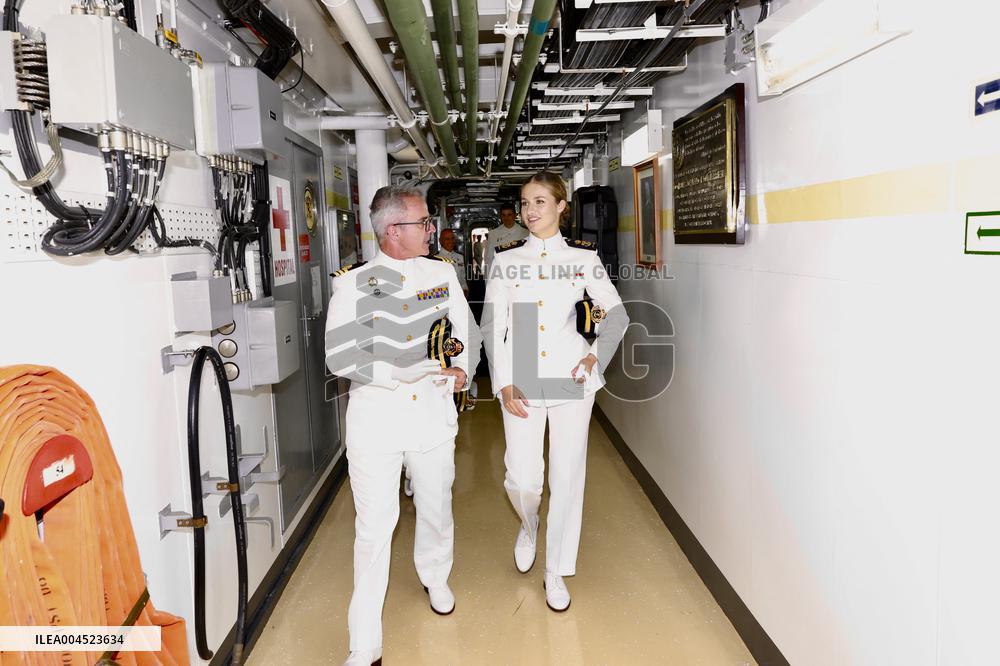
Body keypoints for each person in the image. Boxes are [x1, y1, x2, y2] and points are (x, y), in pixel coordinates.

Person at [325, 186, 479, 666]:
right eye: (423, 223)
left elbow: (464, 332)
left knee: (436, 509)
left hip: (432, 417)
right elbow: (338, 357)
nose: (431, 230)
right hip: (377, 422)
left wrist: (463, 368)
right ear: (393, 230)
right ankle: (364, 643)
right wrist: (398, 372)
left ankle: (435, 575)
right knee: (373, 529)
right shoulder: (354, 283)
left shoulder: (441, 273)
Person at [480, 171, 629, 612]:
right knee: (523, 478)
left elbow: (616, 313)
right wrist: (503, 379)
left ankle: (556, 570)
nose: (530, 210)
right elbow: (493, 324)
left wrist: (595, 356)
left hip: (571, 374)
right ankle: (529, 525)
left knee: (567, 476)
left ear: (562, 206)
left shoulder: (582, 257)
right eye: (526, 202)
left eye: (540, 201)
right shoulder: (507, 260)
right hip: (521, 371)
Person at [484, 202, 528, 271]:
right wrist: (487, 276)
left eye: (509, 215)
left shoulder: (525, 233)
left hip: (519, 270)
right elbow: (489, 258)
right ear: (500, 216)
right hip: (500, 271)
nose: (506, 218)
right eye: (503, 215)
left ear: (515, 215)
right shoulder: (493, 234)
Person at [435, 228, 469, 295]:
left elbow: (462, 277)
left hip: (460, 294)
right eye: (447, 239)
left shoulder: (460, 257)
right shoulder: (436, 259)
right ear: (440, 241)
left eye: (452, 238)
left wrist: (465, 289)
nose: (451, 241)